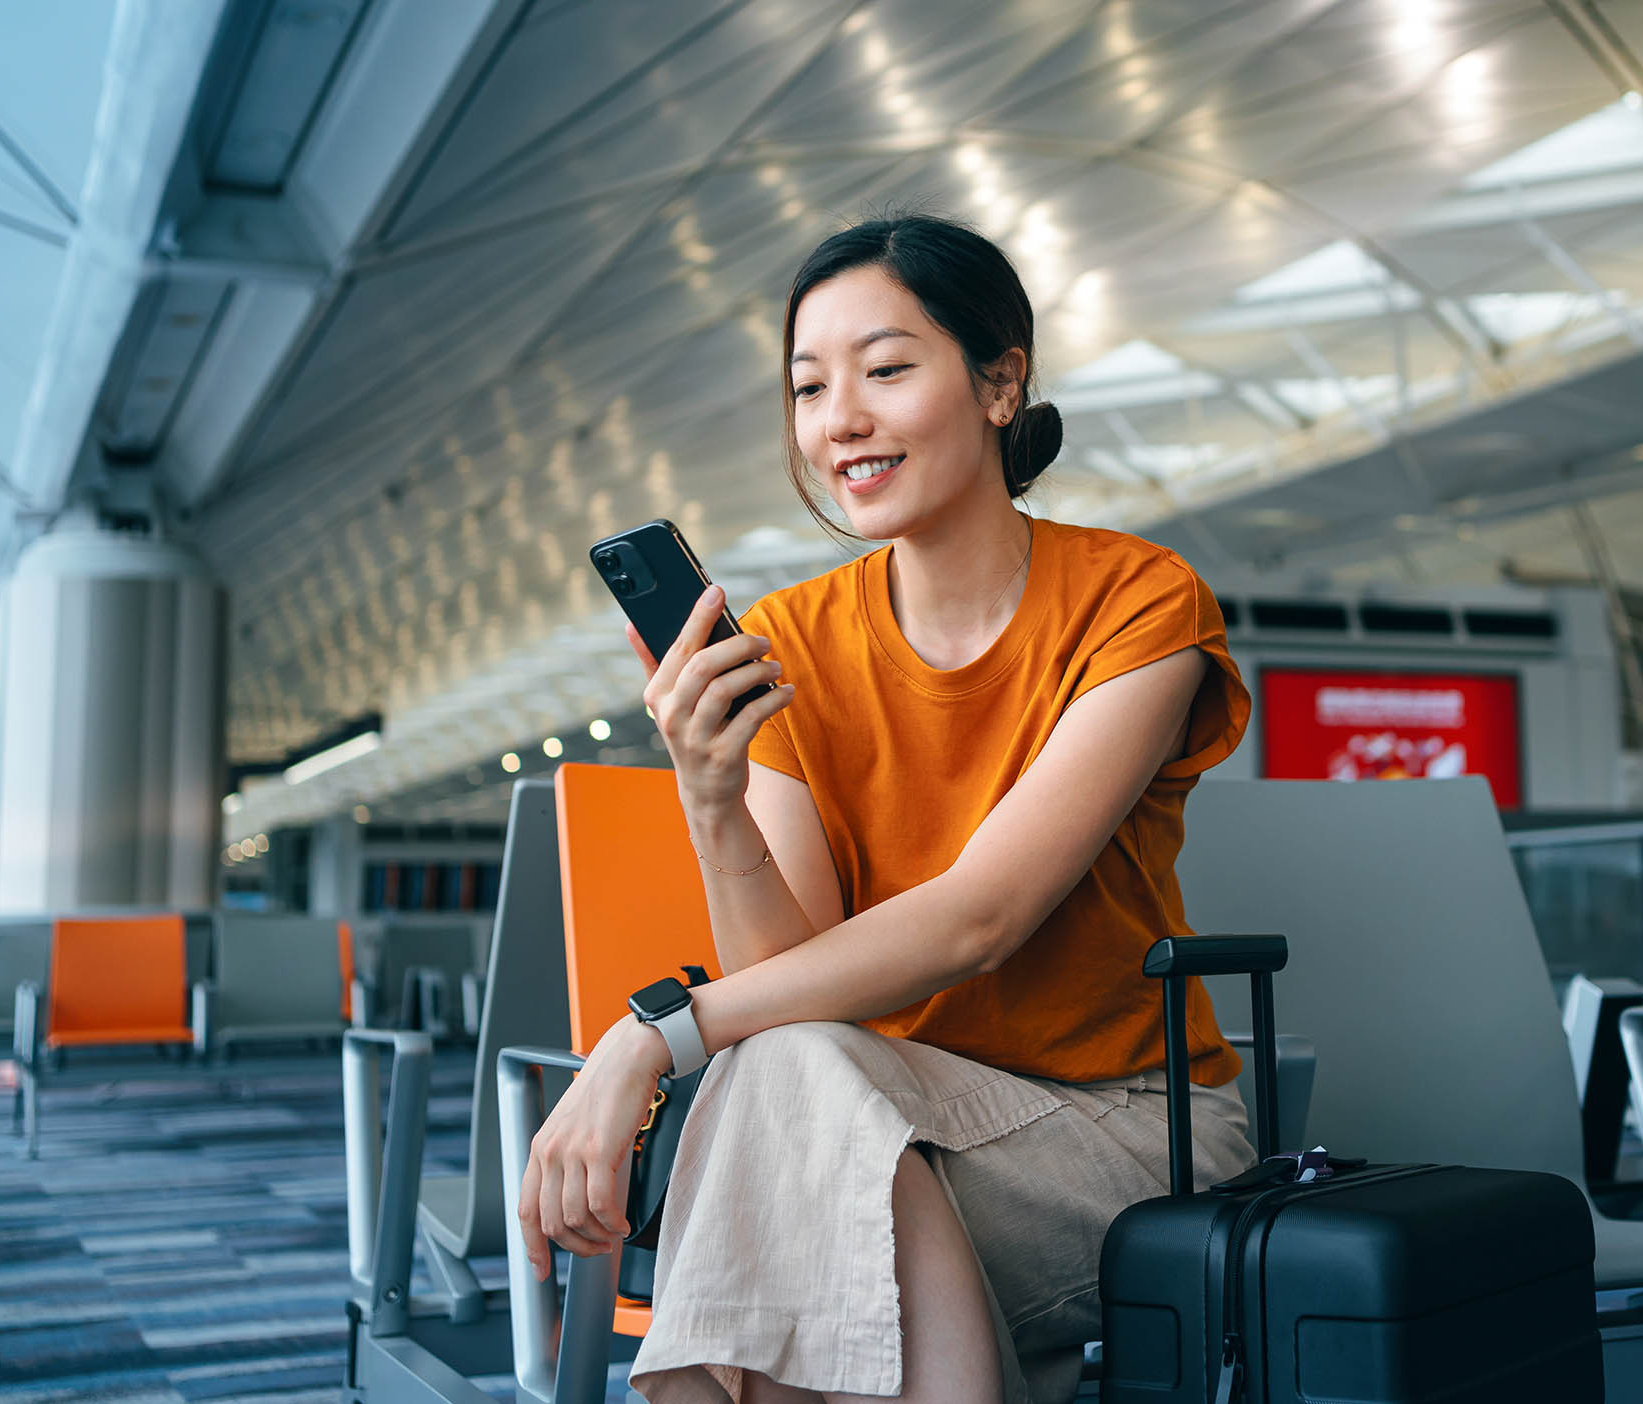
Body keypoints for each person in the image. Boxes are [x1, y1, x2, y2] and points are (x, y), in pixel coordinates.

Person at [515, 214, 1258, 1404]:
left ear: (1000, 381)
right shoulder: (796, 643)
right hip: (860, 1109)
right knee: (803, 1108)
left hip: (1124, 1129)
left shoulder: (1137, 601)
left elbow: (979, 920)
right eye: (810, 387)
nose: (839, 420)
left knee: (779, 1202)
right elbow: (792, 984)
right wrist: (712, 799)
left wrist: (651, 1034)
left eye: (887, 368)